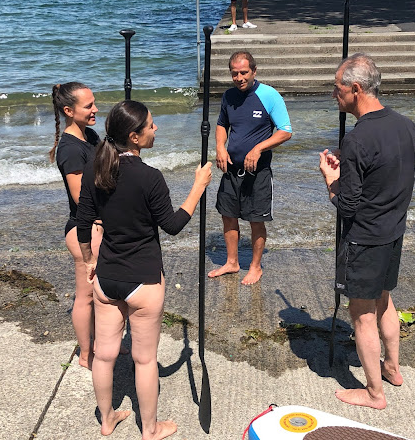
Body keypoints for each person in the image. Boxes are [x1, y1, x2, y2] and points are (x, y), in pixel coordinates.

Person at [76, 100, 212, 438]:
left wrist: (89, 260)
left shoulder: (98, 171)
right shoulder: (149, 177)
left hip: (106, 279)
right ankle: (149, 429)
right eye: (151, 125)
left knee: (104, 356)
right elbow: (173, 224)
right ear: (135, 137)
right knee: (145, 360)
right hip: (144, 280)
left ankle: (107, 419)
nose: (156, 129)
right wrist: (198, 186)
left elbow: (83, 223)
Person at [319, 54, 415, 409]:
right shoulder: (406, 125)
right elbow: (388, 176)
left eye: (337, 88)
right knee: (385, 299)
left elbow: (347, 205)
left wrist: (331, 179)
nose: (334, 94)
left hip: (365, 238)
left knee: (362, 314)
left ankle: (375, 393)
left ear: (356, 89)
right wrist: (346, 173)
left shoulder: (358, 140)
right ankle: (392, 367)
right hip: (394, 231)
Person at [209, 51, 292, 285]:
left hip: (259, 173)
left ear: (254, 71)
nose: (239, 77)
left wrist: (258, 149)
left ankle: (255, 266)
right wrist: (219, 147)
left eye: (244, 72)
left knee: (256, 220)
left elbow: (285, 131)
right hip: (231, 170)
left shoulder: (269, 95)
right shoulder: (228, 96)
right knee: (228, 216)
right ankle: (232, 262)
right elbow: (222, 124)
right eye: (234, 73)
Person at [49, 82, 103, 370]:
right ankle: (86, 354)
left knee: (102, 294)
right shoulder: (69, 149)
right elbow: (81, 197)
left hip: (100, 225)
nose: (95, 109)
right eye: (88, 106)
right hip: (84, 228)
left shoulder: (90, 135)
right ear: (69, 111)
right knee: (85, 296)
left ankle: (101, 345)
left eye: (94, 103)